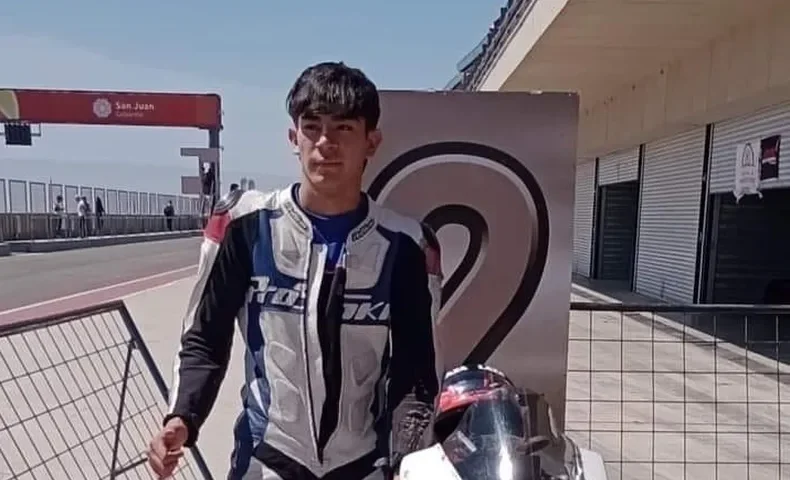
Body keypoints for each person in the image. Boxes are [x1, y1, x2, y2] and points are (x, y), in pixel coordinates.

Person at [147, 61, 443, 480]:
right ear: (293, 138)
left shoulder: (407, 243)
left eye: (343, 128)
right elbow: (205, 338)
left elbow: (416, 373)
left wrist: (409, 459)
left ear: (371, 142)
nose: (325, 143)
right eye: (312, 127)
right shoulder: (243, 225)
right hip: (266, 459)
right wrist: (182, 417)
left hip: (364, 464)